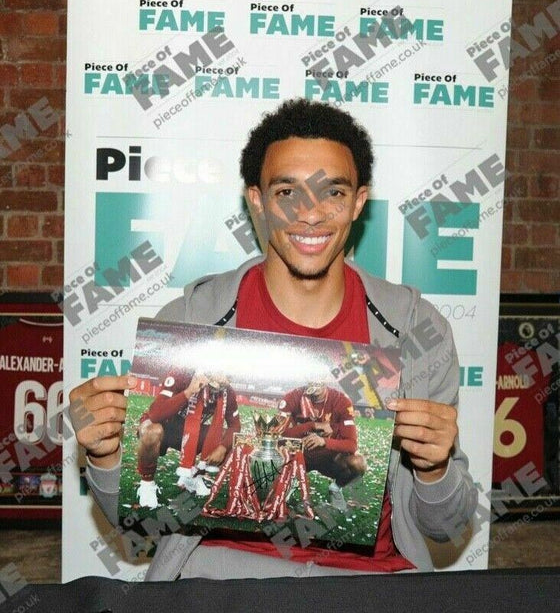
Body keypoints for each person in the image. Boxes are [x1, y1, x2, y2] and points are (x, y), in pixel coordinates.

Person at [70, 98, 477, 578]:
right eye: (287, 192)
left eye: (333, 193)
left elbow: (447, 526)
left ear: (359, 203)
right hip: (221, 577)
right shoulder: (191, 323)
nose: (310, 215)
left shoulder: (415, 330)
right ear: (257, 200)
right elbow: (140, 520)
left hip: (374, 584)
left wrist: (434, 470)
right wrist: (106, 454)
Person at [136, 371, 241, 507]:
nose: (224, 379)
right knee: (151, 431)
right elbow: (155, 414)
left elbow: (235, 425)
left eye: (229, 376)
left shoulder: (227, 392)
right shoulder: (183, 374)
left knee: (227, 438)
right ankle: (146, 484)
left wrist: (222, 447)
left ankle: (193, 477)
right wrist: (189, 391)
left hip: (190, 432)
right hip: (166, 426)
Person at [278, 381, 366, 512]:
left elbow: (351, 445)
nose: (315, 382)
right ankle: (291, 479)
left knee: (358, 463)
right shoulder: (293, 397)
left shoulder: (341, 400)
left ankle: (335, 488)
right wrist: (312, 425)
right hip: (299, 455)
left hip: (329, 458)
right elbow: (280, 434)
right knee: (274, 459)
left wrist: (324, 442)